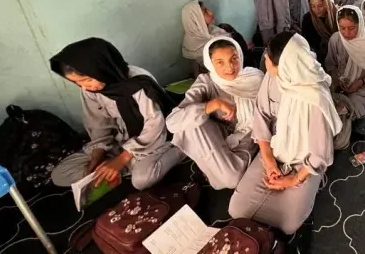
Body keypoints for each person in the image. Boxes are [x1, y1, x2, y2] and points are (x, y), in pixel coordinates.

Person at [228, 32, 342, 234]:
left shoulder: (316, 98)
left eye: (268, 58)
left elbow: (319, 154)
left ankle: (313, 181)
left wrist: (294, 179)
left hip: (305, 161)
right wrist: (269, 159)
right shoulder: (274, 78)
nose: (264, 59)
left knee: (288, 225)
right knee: (236, 208)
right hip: (276, 148)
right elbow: (261, 115)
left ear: (285, 66)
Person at [50, 38, 184, 190]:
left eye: (87, 80)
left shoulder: (139, 82)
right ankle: (115, 169)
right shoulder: (89, 90)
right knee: (60, 175)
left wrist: (121, 159)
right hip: (120, 140)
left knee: (141, 180)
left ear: (101, 68)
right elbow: (98, 124)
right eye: (77, 83)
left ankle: (181, 148)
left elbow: (155, 126)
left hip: (155, 139)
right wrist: (97, 157)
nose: (85, 87)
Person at [166, 37, 263, 189]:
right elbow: (172, 123)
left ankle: (212, 166)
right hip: (214, 139)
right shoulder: (206, 82)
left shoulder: (255, 78)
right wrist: (212, 104)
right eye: (220, 62)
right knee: (190, 121)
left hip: (247, 138)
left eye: (234, 59)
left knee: (232, 179)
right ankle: (214, 165)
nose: (230, 67)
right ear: (210, 63)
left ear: (240, 56)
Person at [326, 6, 365, 119]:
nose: (346, 33)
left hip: (363, 85)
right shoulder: (335, 39)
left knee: (350, 106)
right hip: (340, 81)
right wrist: (336, 80)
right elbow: (331, 63)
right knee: (327, 101)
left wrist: (360, 82)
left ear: (359, 25)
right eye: (342, 28)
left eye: (351, 28)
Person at [301, 0, 338, 64]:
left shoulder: (337, 15)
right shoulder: (307, 19)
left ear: (326, 4)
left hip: (338, 54)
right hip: (317, 58)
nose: (316, 10)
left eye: (320, 6)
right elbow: (306, 44)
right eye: (313, 6)